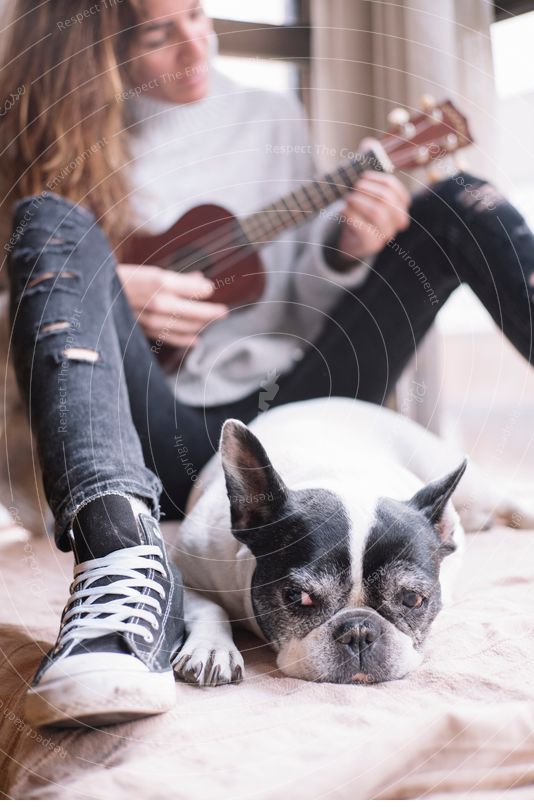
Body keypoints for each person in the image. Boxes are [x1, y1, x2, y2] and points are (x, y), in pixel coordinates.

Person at [1, 0, 533, 727]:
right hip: (164, 427)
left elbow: (298, 290)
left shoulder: (267, 113)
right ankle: (120, 564)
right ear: (96, 51)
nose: (197, 46)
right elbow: (36, 308)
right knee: (49, 219)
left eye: (198, 14)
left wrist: (347, 248)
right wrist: (114, 291)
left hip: (296, 395)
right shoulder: (32, 143)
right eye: (160, 34)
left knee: (463, 200)